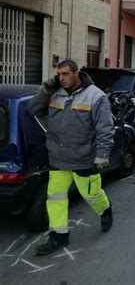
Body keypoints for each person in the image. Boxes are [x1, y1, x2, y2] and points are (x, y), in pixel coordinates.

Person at [28, 60, 115, 256]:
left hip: (84, 158)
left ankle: (105, 209)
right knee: (55, 197)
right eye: (59, 74)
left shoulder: (96, 96)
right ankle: (58, 236)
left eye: (65, 74)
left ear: (76, 73)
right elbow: (33, 109)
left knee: (91, 194)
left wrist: (102, 155)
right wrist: (44, 91)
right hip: (58, 157)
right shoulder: (54, 93)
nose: (61, 78)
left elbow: (105, 129)